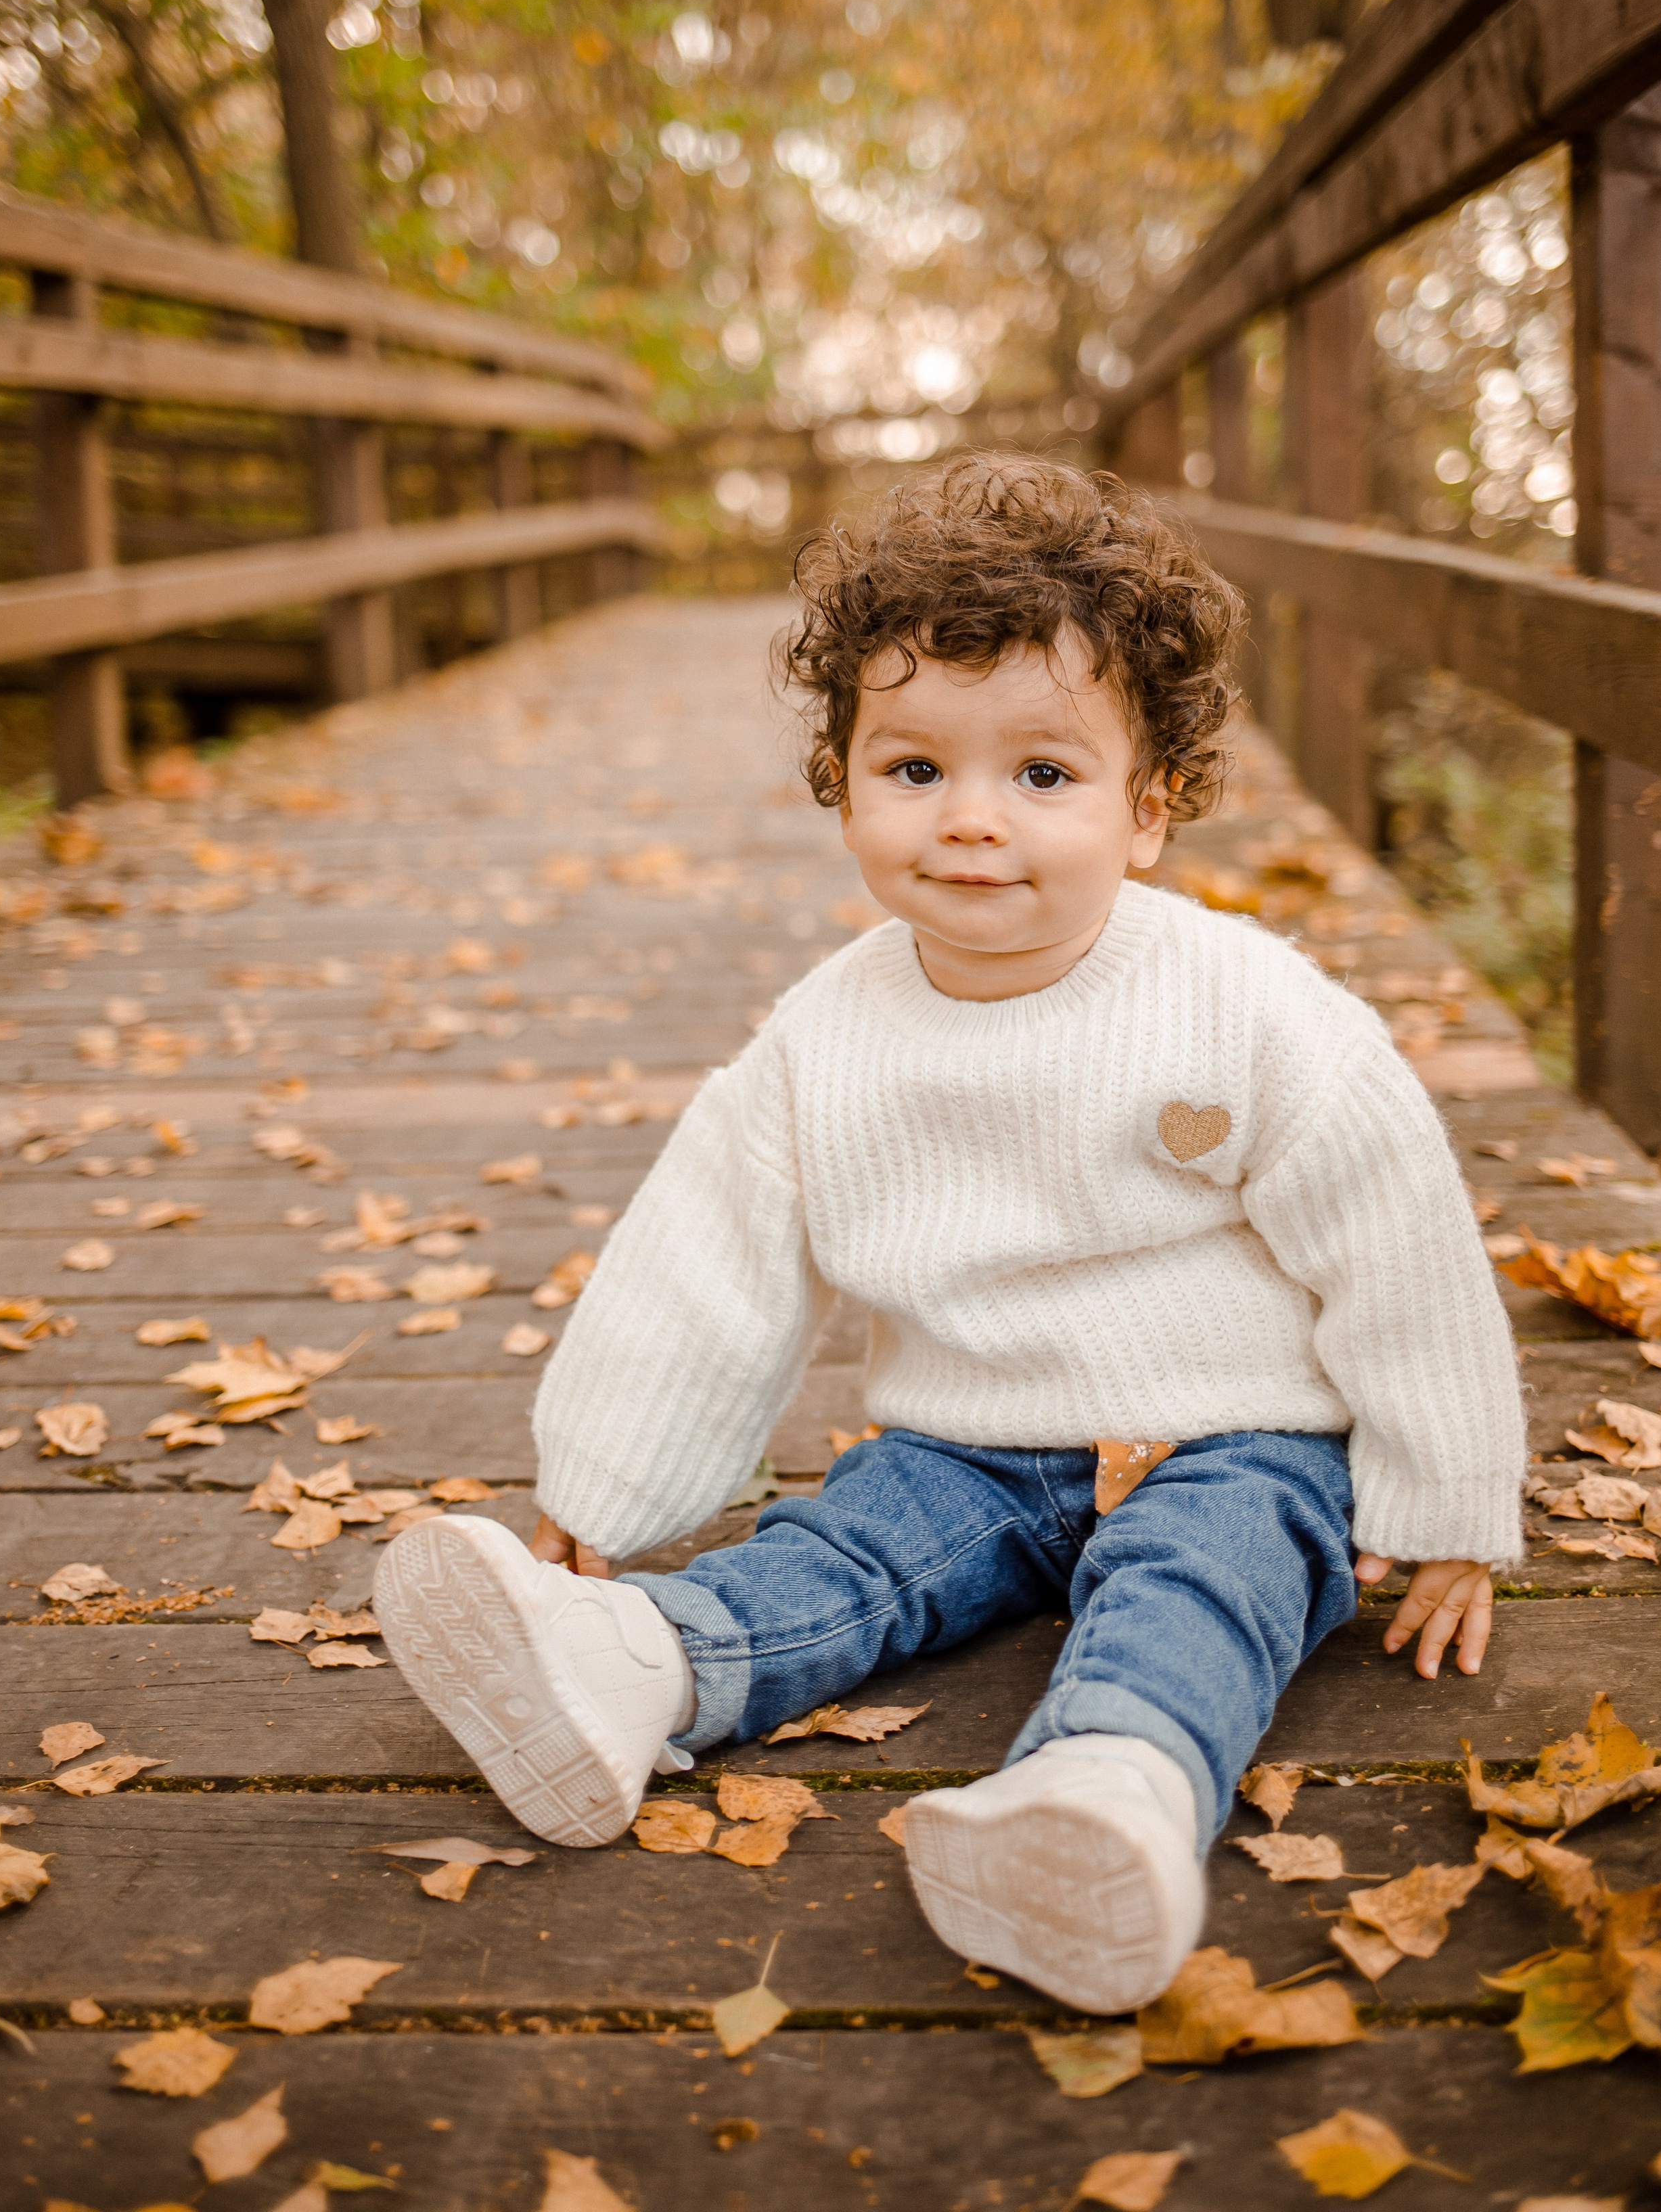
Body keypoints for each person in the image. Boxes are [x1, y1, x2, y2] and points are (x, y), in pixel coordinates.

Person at [377, 454, 1524, 2014]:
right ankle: (633, 1664)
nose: (972, 821)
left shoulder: (1248, 1013)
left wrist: (1445, 1497)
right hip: (970, 1444)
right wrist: (603, 1488)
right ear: (843, 782)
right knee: (843, 1551)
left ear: (1148, 811)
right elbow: (703, 1255)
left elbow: (1393, 1242)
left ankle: (1102, 1798)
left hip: (1235, 1432)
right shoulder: (824, 1037)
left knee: (1205, 1582)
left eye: (1041, 777)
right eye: (915, 769)